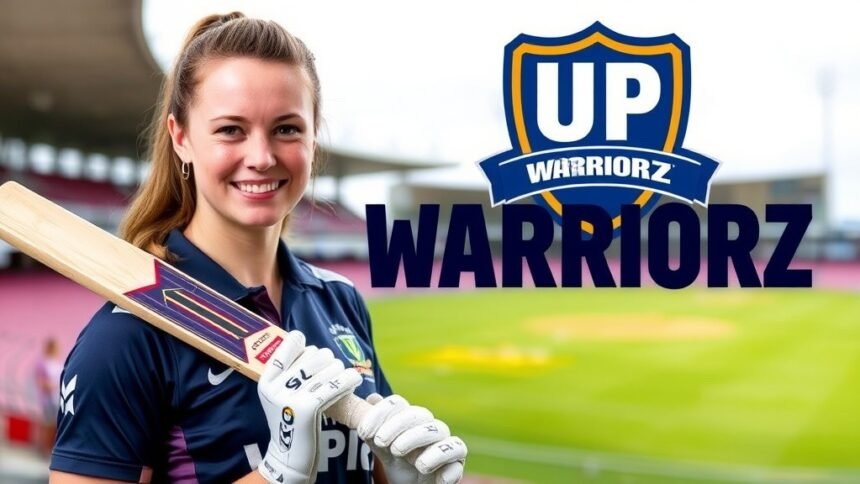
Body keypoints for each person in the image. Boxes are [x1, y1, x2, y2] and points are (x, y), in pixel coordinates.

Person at [49, 12, 466, 483]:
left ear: (313, 136)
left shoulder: (339, 299)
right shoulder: (128, 334)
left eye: (287, 128)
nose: (262, 157)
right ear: (181, 137)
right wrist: (277, 473)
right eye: (231, 129)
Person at [34, 337, 63, 456]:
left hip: (57, 399)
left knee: (54, 425)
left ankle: (51, 448)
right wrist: (51, 385)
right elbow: (41, 381)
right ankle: (44, 449)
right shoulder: (43, 363)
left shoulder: (58, 363)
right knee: (47, 424)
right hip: (48, 400)